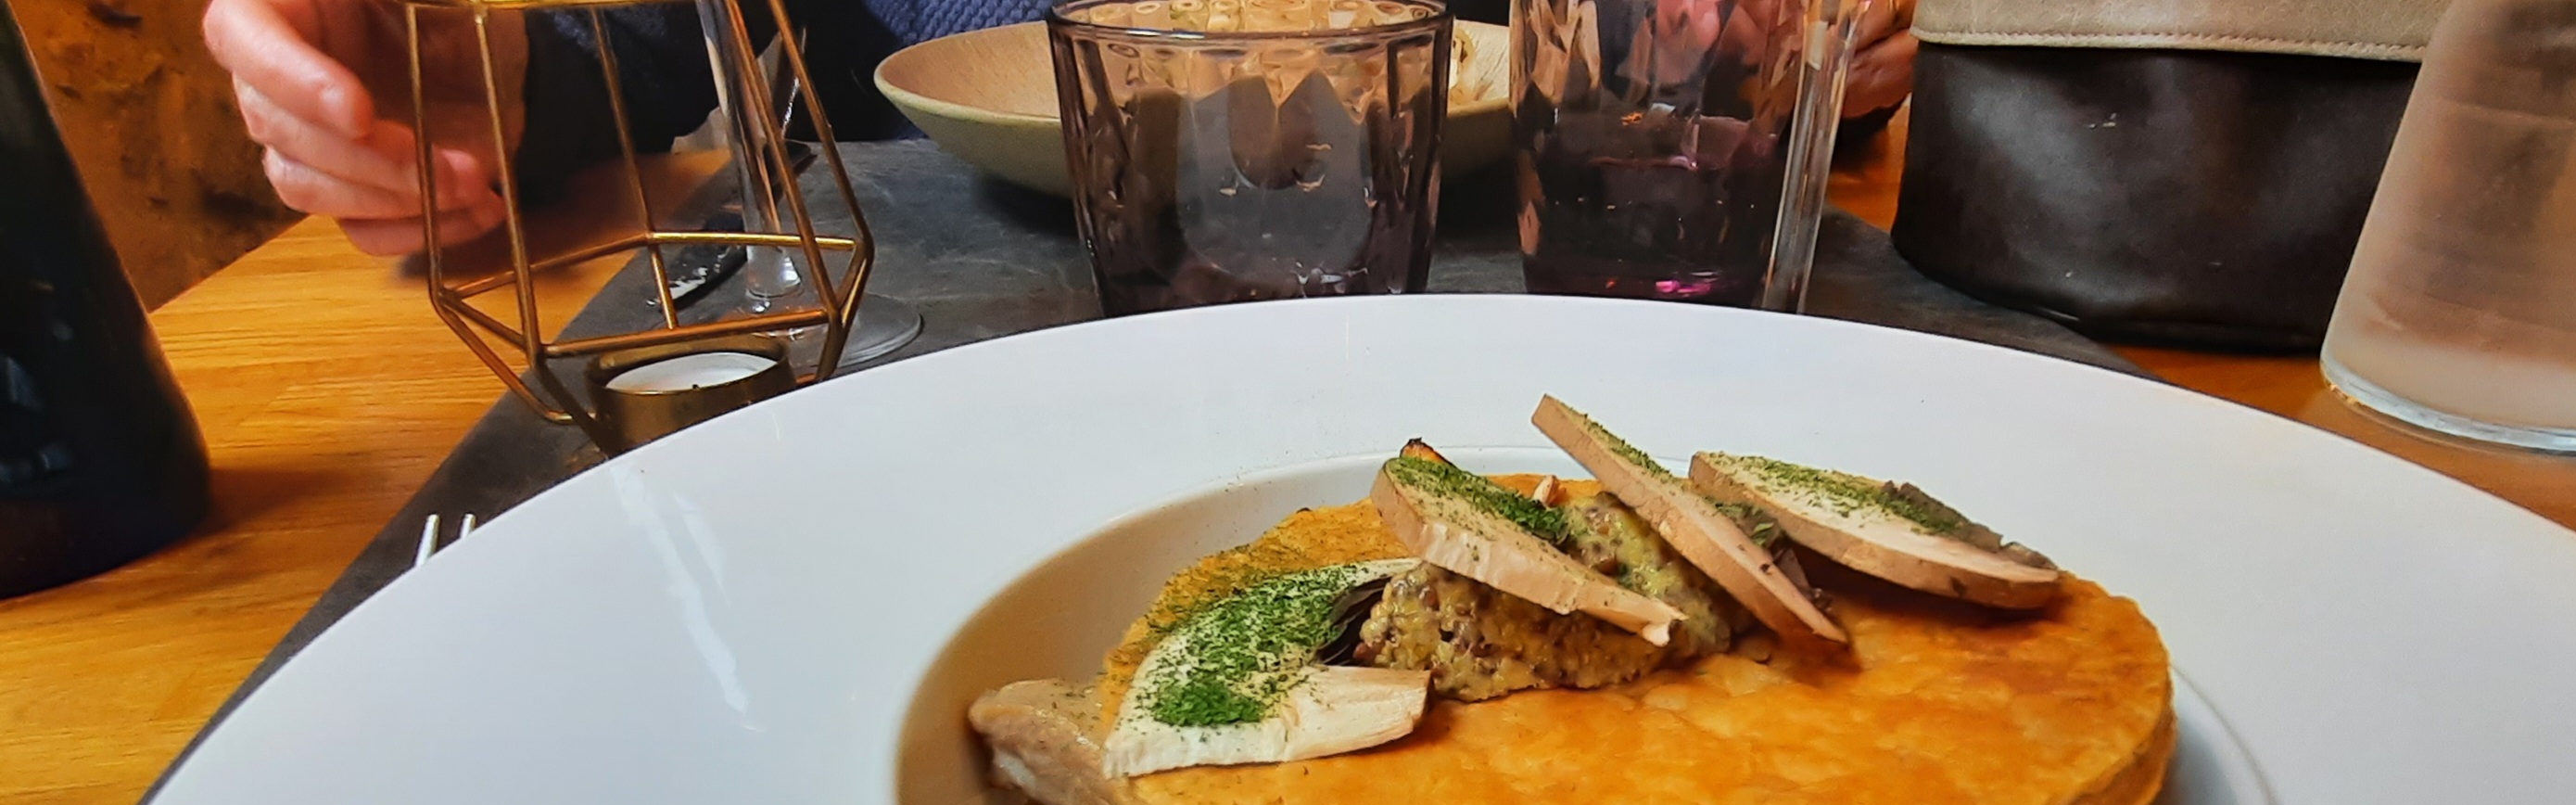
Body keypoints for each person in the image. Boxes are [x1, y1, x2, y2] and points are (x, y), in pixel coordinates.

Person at [204, 0, 1918, 255]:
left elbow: (1667, 48)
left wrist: (1766, 47)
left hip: (1476, 285)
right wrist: (483, 83)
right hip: (938, 323)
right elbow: (653, 49)